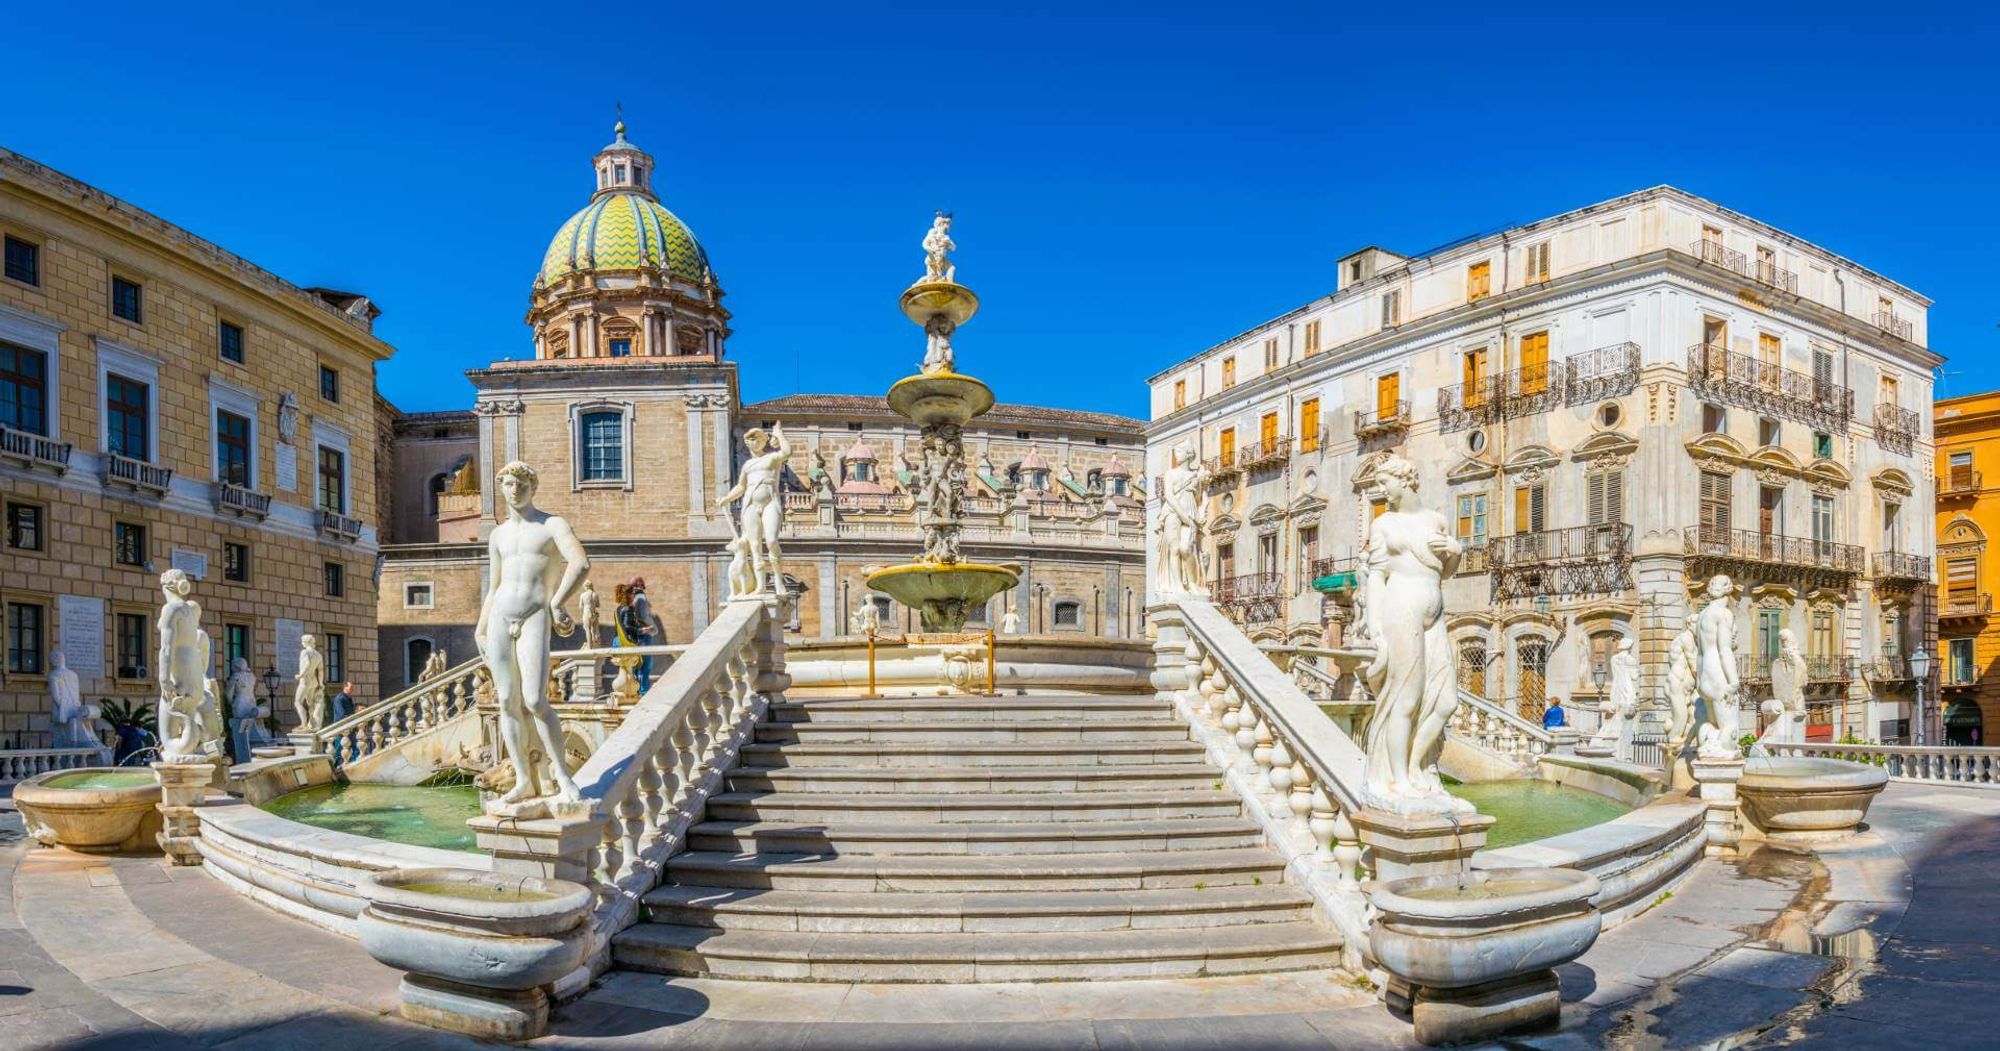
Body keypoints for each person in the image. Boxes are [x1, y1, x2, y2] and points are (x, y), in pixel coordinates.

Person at [615, 583, 653, 693]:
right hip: (628, 642)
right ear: (629, 595)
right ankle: (639, 693)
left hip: (619, 641)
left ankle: (632, 693)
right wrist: (641, 630)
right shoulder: (628, 609)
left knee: (628, 672)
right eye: (633, 593)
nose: (634, 595)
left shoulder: (619, 608)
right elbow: (627, 626)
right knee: (641, 668)